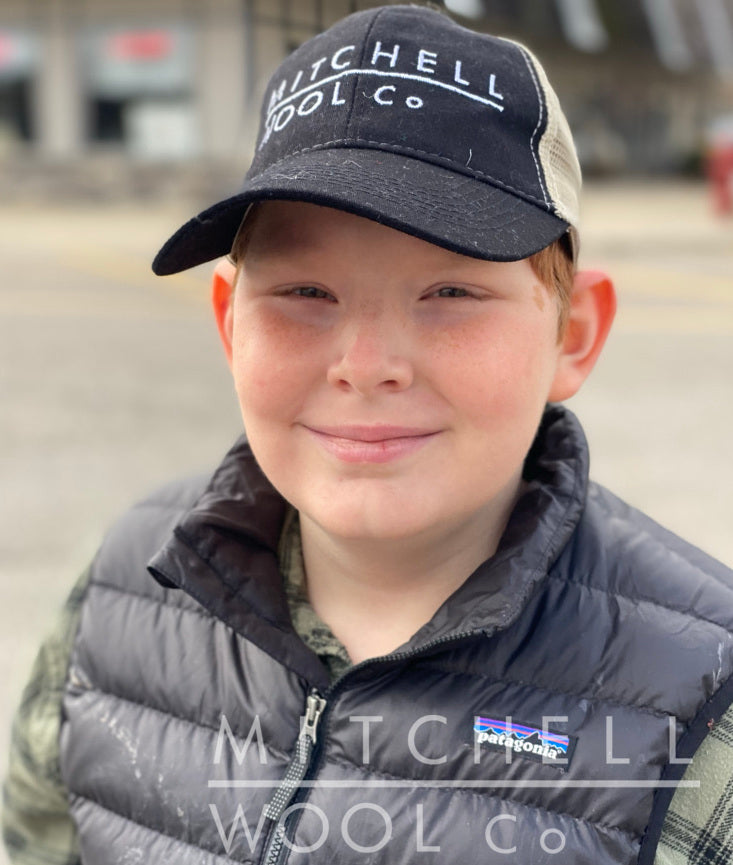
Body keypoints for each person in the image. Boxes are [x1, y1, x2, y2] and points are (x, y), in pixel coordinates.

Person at [4, 5, 733, 864]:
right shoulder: (122, 588)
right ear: (230, 326)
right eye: (306, 293)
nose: (365, 364)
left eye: (450, 294)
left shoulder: (700, 709)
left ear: (571, 334)